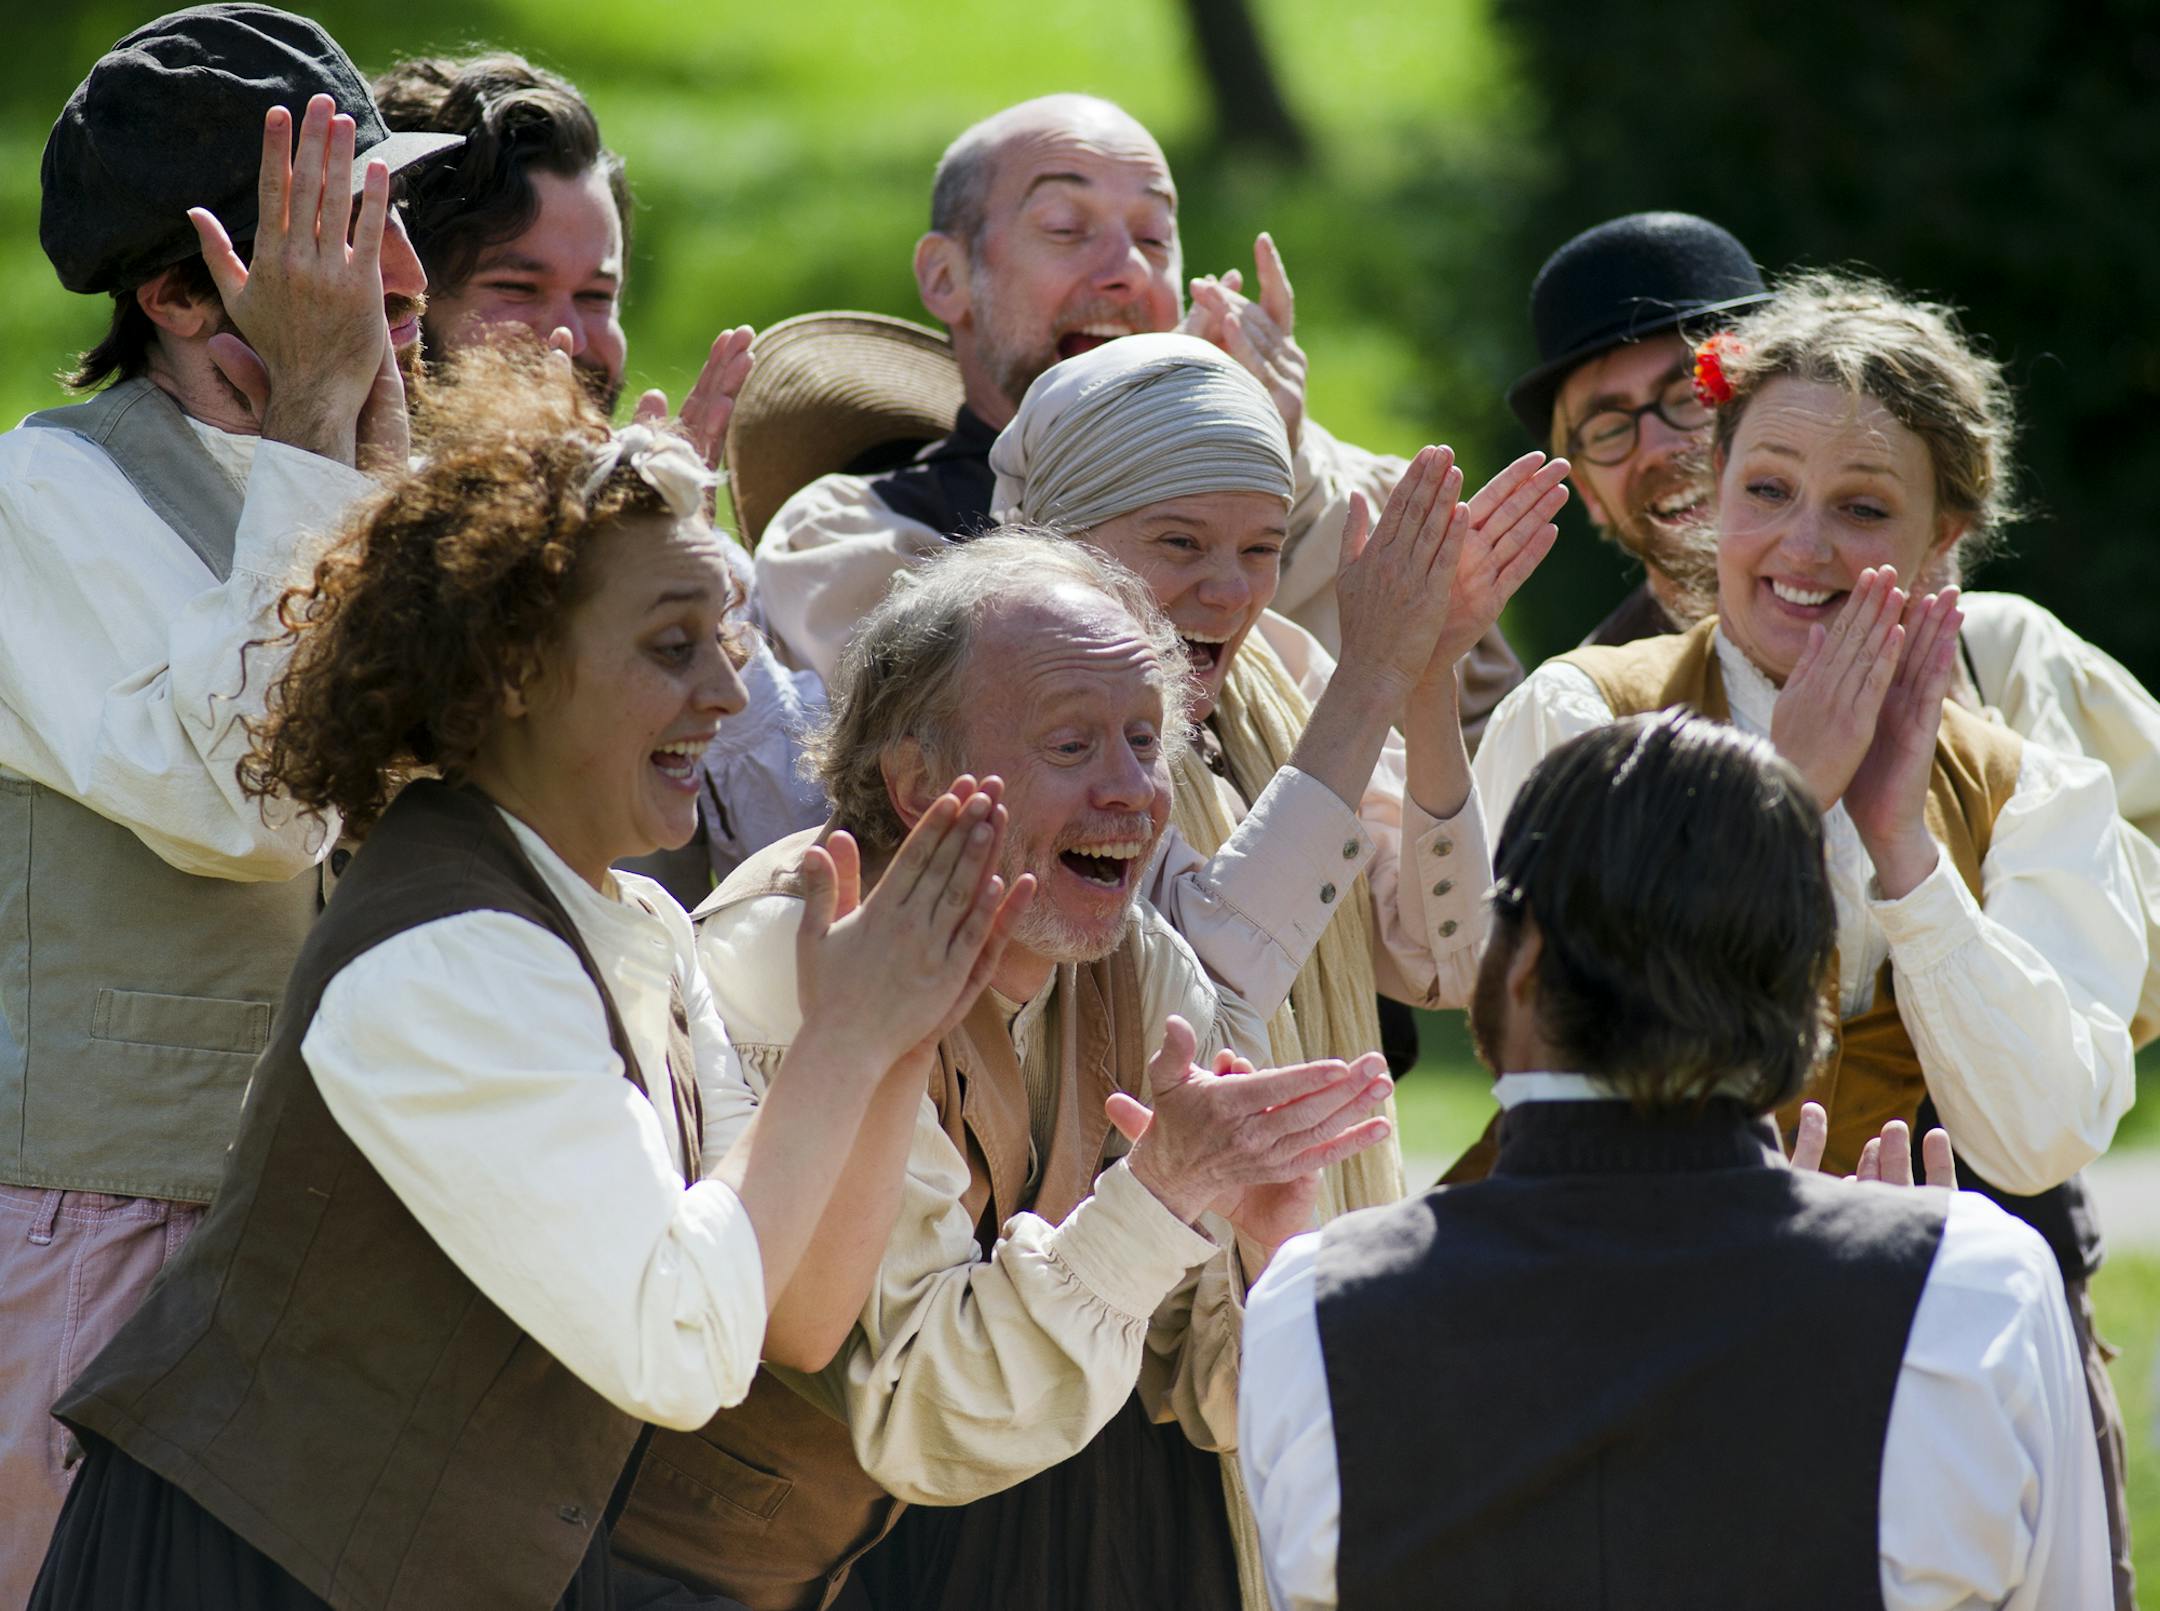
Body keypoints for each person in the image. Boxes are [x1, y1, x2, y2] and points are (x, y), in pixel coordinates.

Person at [27, 348, 1033, 1609]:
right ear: (509, 674)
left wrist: (888, 1041)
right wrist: (840, 1047)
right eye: (674, 645)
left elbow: (790, 1318)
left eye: (724, 640)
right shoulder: (448, 956)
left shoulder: (634, 925)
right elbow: (678, 1341)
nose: (727, 693)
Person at [1464, 270, 2146, 1604]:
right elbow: (1563, 1058)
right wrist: (1788, 801)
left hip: (1918, 1367)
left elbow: (2039, 1132)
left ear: (1950, 533)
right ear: (1708, 496)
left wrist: (1901, 844)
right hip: (1605, 1353)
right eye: (1768, 488)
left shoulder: (2033, 791)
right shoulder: (1575, 721)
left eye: (1866, 507)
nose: (1805, 546)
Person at [609, 534, 1399, 1611]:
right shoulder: (795, 956)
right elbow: (918, 1406)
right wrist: (1160, 1195)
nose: (1132, 793)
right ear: (915, 777)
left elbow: (1206, 1389)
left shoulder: (1134, 967)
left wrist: (1265, 1253)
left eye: (1144, 740)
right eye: (1071, 745)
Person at [1239, 712, 2110, 1610]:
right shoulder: (1976, 1288)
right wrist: (1895, 1283)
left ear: (1525, 961)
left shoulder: (1310, 1302)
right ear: (1793, 985)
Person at [0, 8, 462, 1597]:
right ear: (179, 291)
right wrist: (332, 449)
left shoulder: (358, 463)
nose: (397, 277)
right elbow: (254, 805)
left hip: (326, 1239)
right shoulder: (42, 496)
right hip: (95, 1234)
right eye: (334, 235)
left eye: (384, 214)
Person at [984, 333, 1564, 1195]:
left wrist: (1427, 672)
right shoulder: (999, 718)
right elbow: (1203, 997)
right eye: (1180, 542)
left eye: (1262, 549)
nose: (1230, 590)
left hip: (1305, 1252)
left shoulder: (1285, 676)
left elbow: (1456, 959)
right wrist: (1372, 679)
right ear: (1060, 537)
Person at [746, 93, 1524, 720]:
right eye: (1066, 228)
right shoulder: (852, 538)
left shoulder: (1357, 500)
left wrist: (1264, 468)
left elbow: (1474, 737)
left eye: (1154, 239)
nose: (1126, 273)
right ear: (946, 277)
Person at [373, 50, 822, 900]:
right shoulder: (330, 522)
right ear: (398, 295)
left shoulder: (675, 532)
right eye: (518, 287)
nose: (569, 340)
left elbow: (804, 835)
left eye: (597, 296)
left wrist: (681, 577)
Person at [1505, 210, 1769, 647]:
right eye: (1609, 431)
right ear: (1588, 491)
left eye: (1691, 396)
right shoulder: (1583, 708)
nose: (1656, 448)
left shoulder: (1916, 622)